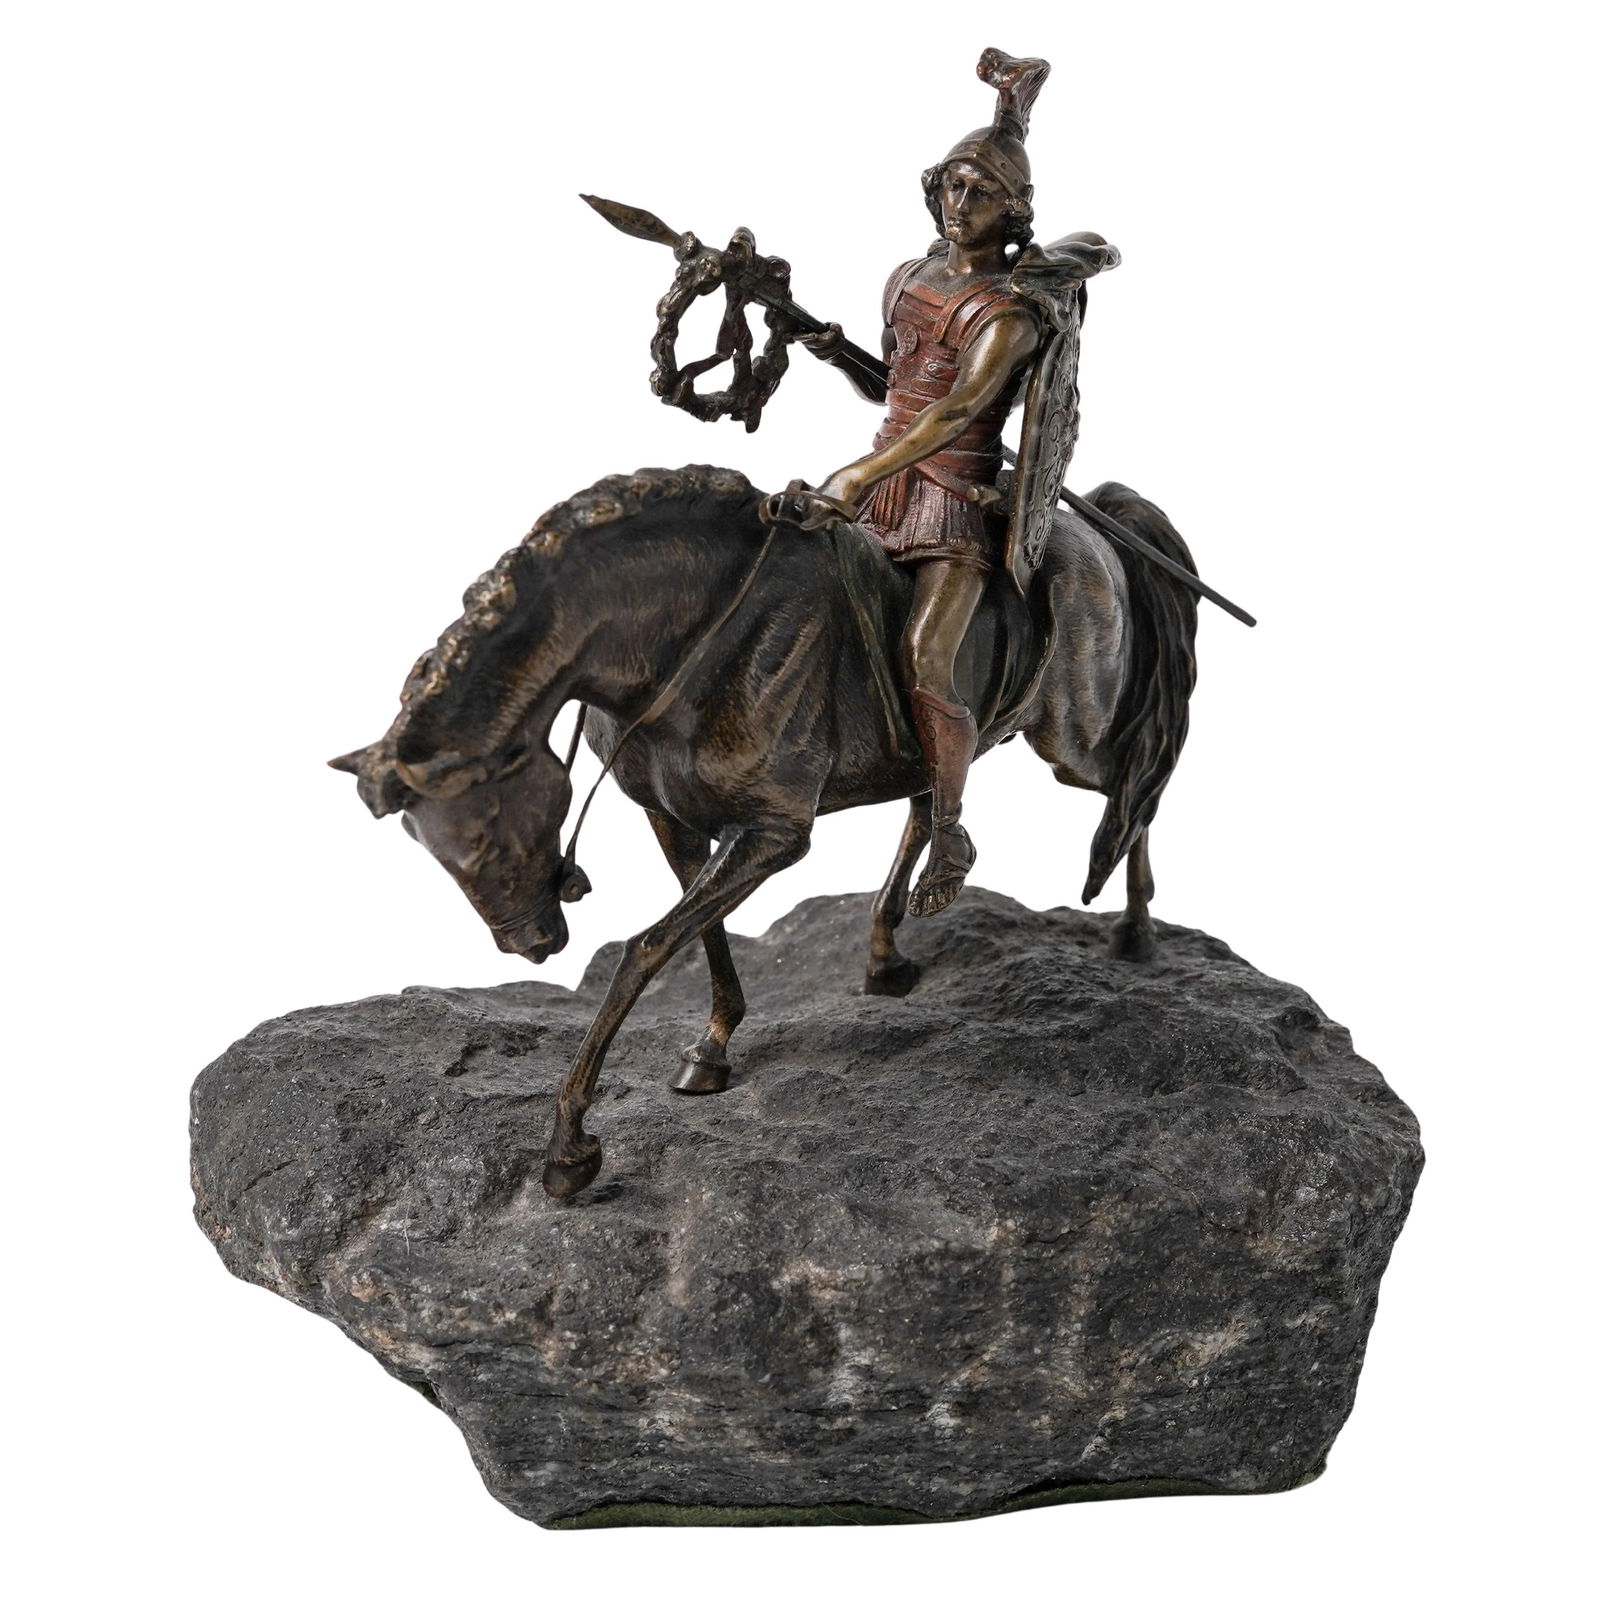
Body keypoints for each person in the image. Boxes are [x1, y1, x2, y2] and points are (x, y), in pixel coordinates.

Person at [801, 49, 1054, 917]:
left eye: (980, 193)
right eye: (952, 185)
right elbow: (898, 389)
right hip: (880, 487)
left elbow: (954, 414)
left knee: (926, 656)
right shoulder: (909, 279)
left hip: (950, 503)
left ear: (1012, 210)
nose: (960, 202)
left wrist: (854, 474)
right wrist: (840, 357)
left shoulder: (1007, 313)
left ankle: (948, 827)